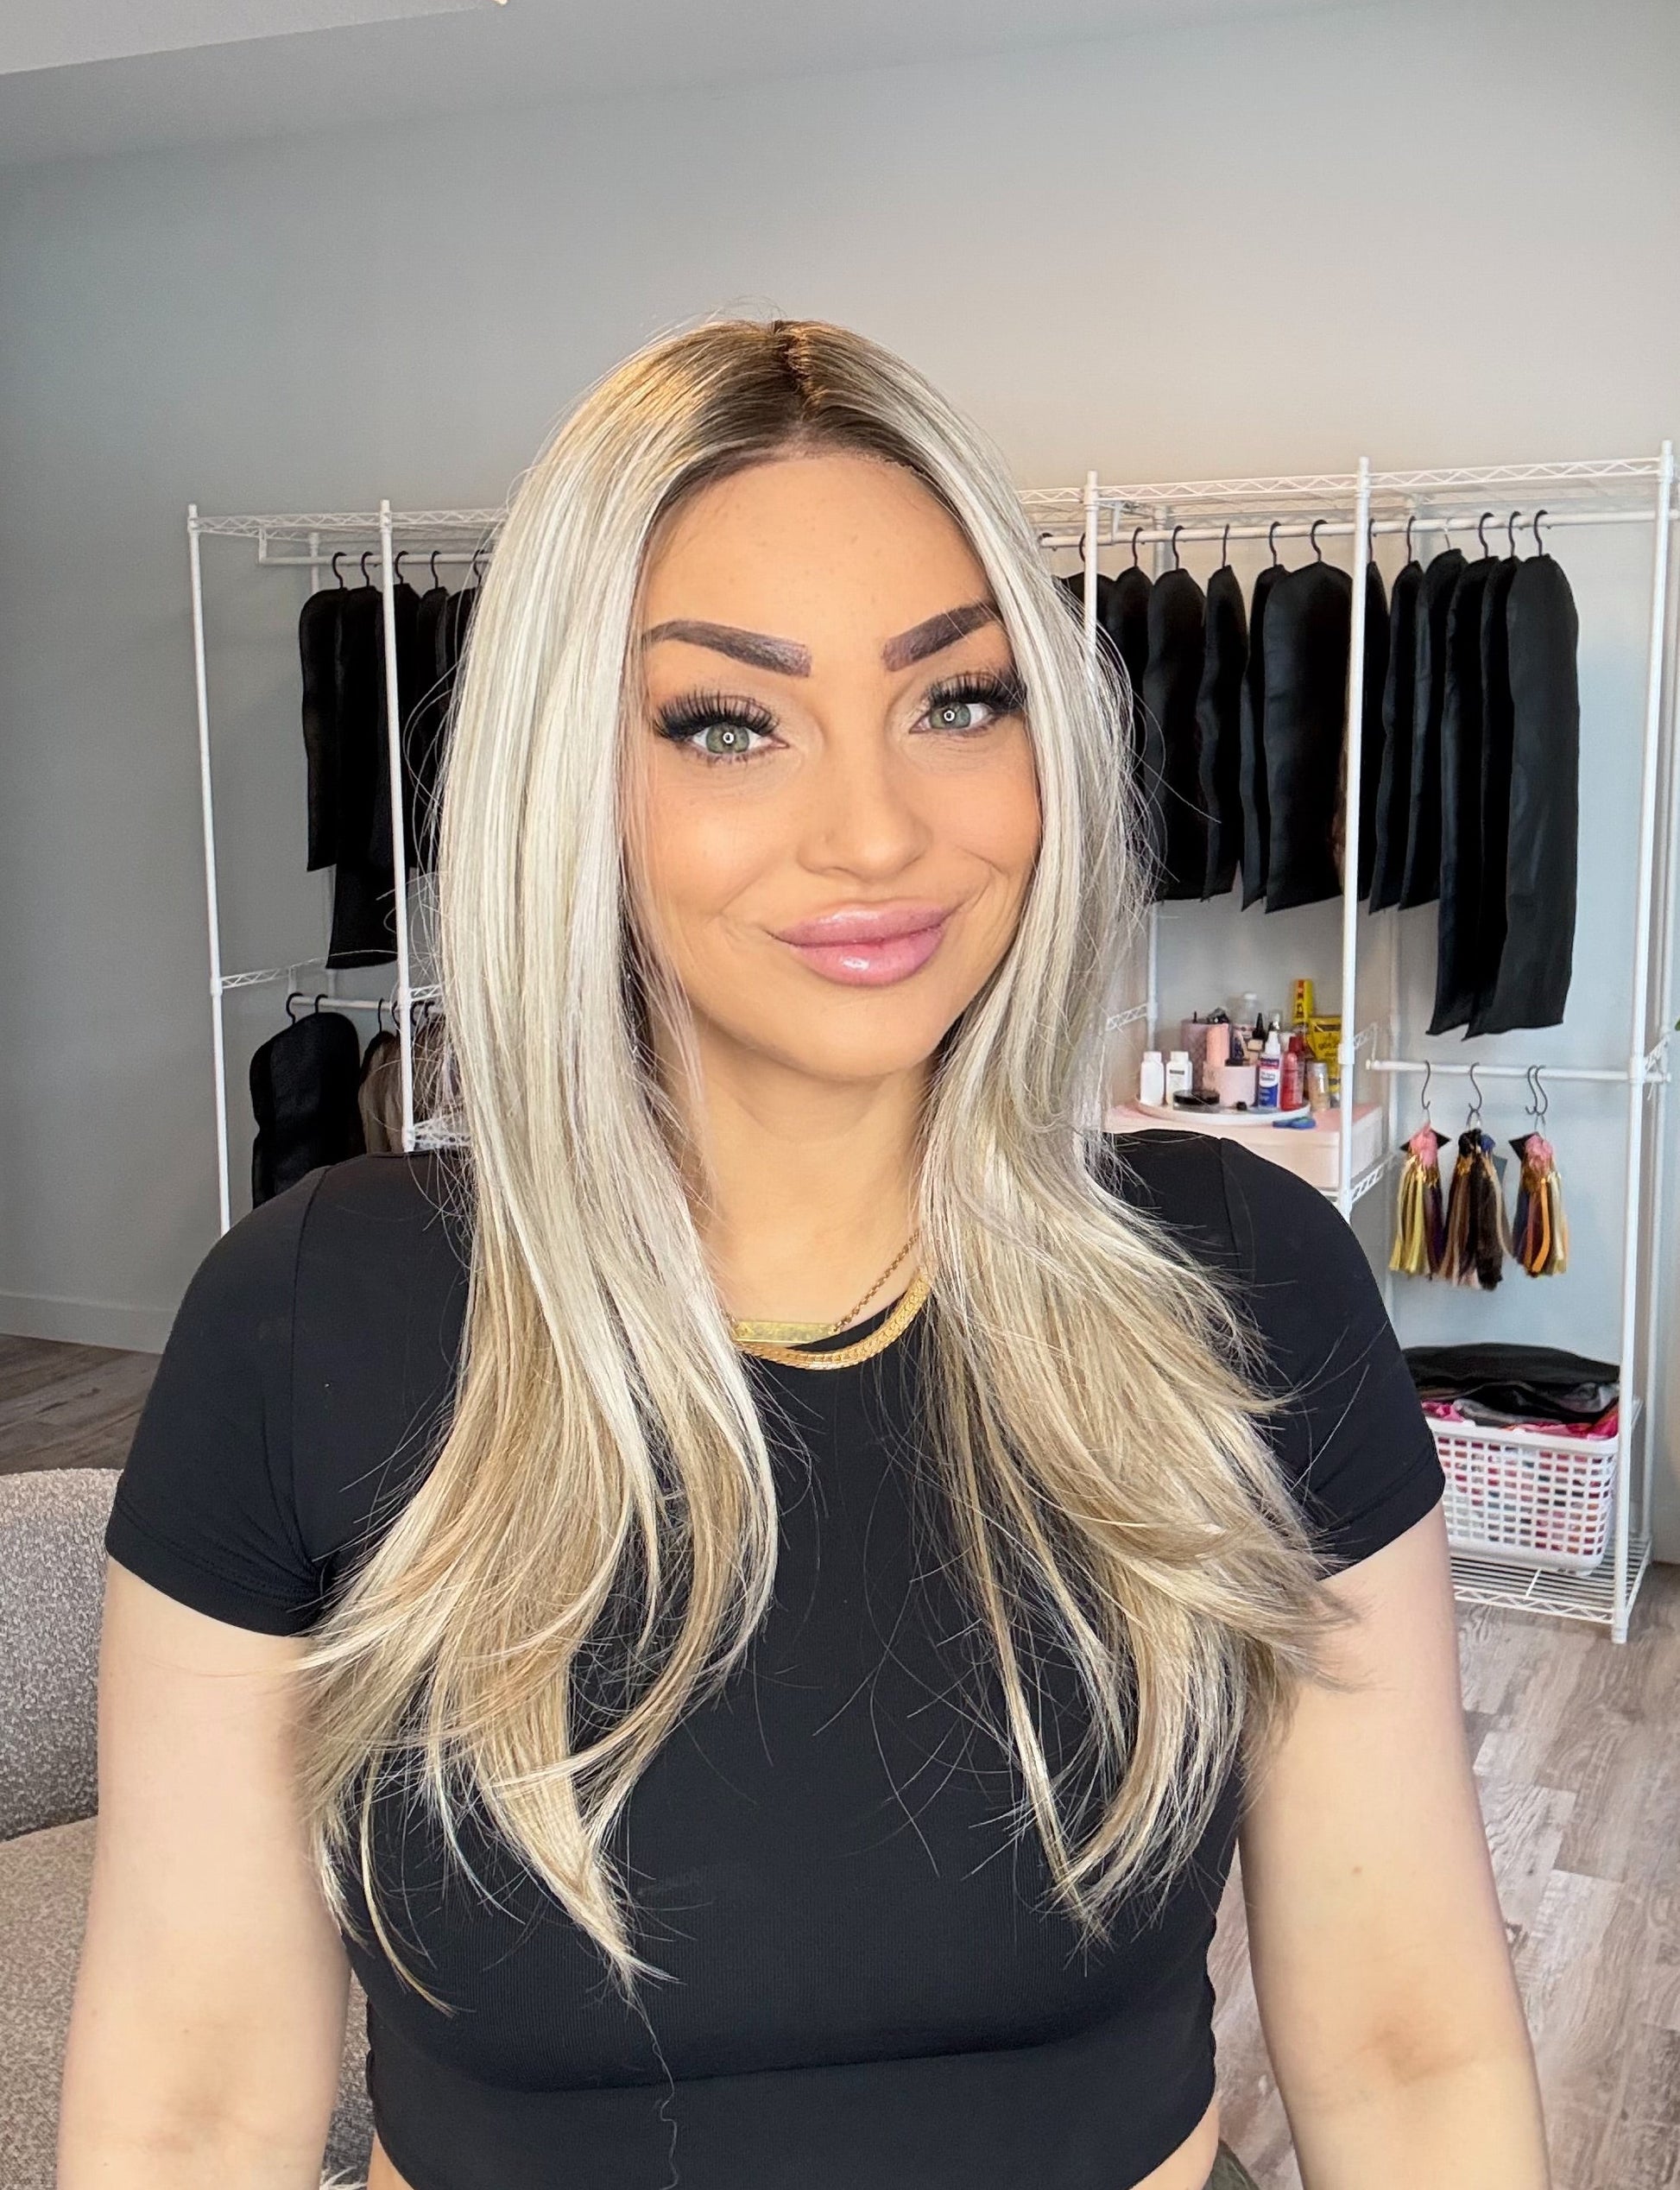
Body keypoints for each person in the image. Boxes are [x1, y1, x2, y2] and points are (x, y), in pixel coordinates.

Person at [60, 320, 1550, 2190]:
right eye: (726, 720)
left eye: (956, 699)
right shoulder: (307, 1323)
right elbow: (190, 2107)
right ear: (569, 784)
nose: (876, 829)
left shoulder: (1249, 1282)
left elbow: (1411, 2049)